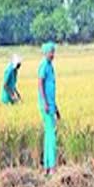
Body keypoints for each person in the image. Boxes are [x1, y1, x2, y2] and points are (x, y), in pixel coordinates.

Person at [38, 42, 59, 175]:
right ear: (46, 53)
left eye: (53, 52)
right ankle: (51, 167)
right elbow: (40, 84)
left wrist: (56, 108)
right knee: (51, 137)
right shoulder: (44, 66)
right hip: (46, 106)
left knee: (48, 136)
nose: (53, 54)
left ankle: (46, 167)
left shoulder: (50, 66)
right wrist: (45, 103)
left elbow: (51, 89)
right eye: (51, 52)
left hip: (51, 105)